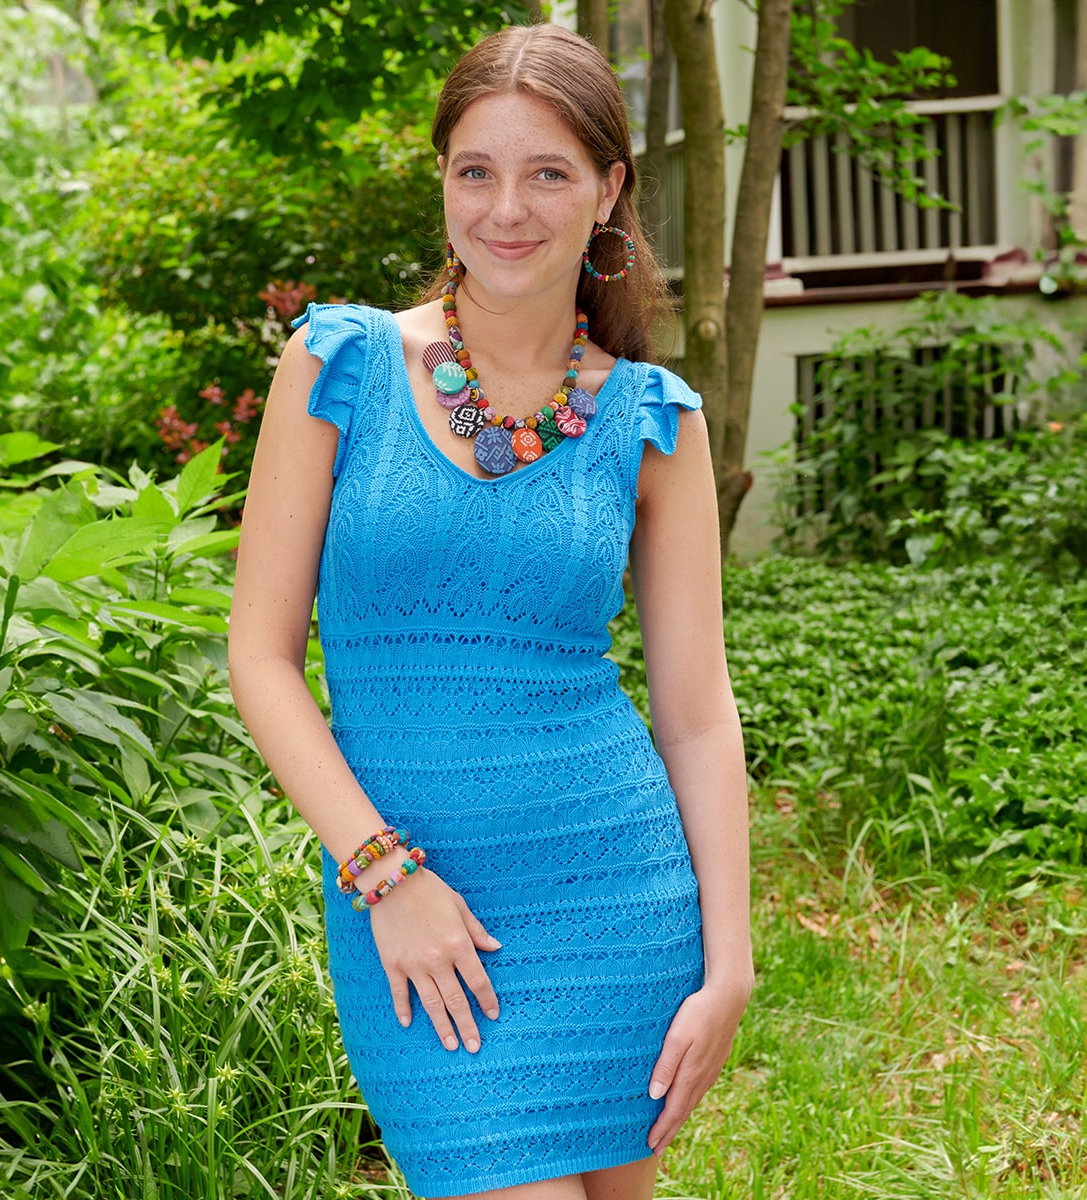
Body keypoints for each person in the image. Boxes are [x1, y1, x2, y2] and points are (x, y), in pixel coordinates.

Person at [228, 22, 752, 1200]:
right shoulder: (340, 366)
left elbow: (698, 715)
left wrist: (731, 963)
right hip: (411, 908)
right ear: (444, 182)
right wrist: (384, 875)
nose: (506, 208)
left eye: (549, 172)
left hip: (616, 899)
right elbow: (259, 659)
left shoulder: (654, 419)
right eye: (477, 170)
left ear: (610, 189)